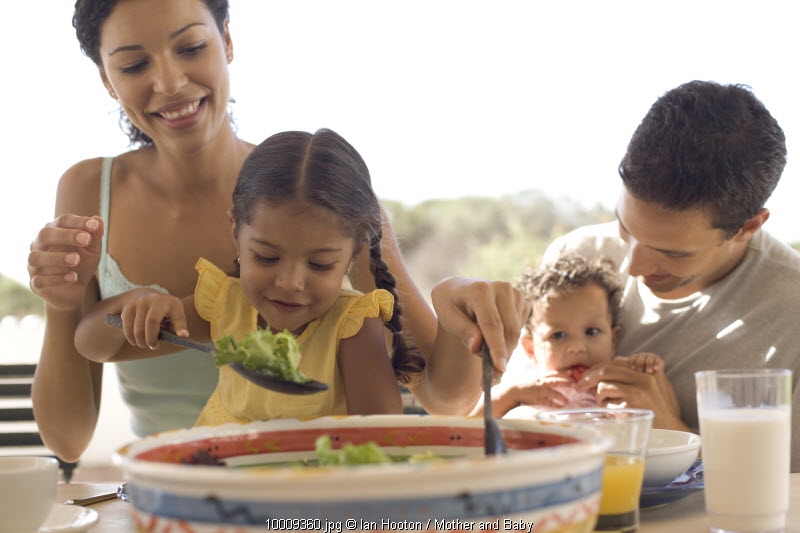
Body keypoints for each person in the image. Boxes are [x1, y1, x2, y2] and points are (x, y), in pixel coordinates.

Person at [27, 0, 528, 463]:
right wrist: (62, 302)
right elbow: (67, 441)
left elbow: (442, 398)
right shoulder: (90, 190)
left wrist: (453, 298)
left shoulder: (314, 195)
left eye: (192, 47)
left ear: (226, 40)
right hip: (172, 491)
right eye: (135, 64)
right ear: (106, 79)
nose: (171, 81)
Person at [530, 80, 800, 471]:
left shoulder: (792, 314)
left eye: (672, 253)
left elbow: (787, 491)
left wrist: (674, 434)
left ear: (748, 226)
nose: (631, 268)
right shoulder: (576, 260)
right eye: (625, 227)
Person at [75, 128, 424, 423]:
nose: (289, 282)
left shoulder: (352, 325)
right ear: (235, 233)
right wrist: (131, 304)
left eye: (319, 265)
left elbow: (381, 437)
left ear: (354, 254)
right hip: (219, 488)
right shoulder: (226, 306)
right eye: (266, 257)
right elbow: (90, 345)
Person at [471, 253, 667, 419]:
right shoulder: (527, 383)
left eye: (592, 332)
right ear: (531, 348)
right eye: (558, 335)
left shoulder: (621, 374)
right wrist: (510, 395)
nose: (577, 347)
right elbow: (468, 424)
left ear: (613, 339)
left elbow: (664, 412)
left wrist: (646, 366)